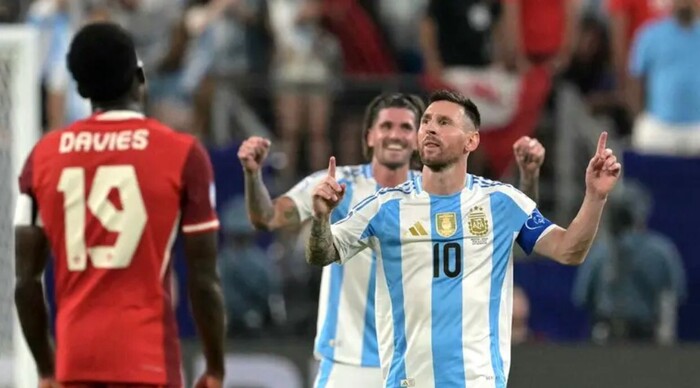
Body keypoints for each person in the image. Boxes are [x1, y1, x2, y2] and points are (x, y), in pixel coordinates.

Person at [306, 90, 621, 387]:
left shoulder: (502, 202)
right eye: (426, 121)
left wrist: (594, 197)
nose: (430, 128)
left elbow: (569, 251)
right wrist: (321, 218)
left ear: (472, 141)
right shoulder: (384, 207)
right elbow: (323, 253)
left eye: (444, 123)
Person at [237, 93, 545, 388]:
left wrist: (528, 178)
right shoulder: (334, 186)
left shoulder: (438, 195)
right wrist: (253, 176)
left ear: (418, 138)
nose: (395, 135)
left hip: (414, 363)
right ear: (369, 136)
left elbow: (512, 227)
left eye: (406, 127)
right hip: (349, 358)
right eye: (386, 126)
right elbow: (267, 218)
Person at [14, 22, 225, 388]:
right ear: (139, 76)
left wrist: (47, 369)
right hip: (149, 364)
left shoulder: (42, 157)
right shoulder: (184, 154)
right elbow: (203, 280)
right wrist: (215, 366)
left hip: (74, 362)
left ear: (79, 88)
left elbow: (26, 282)